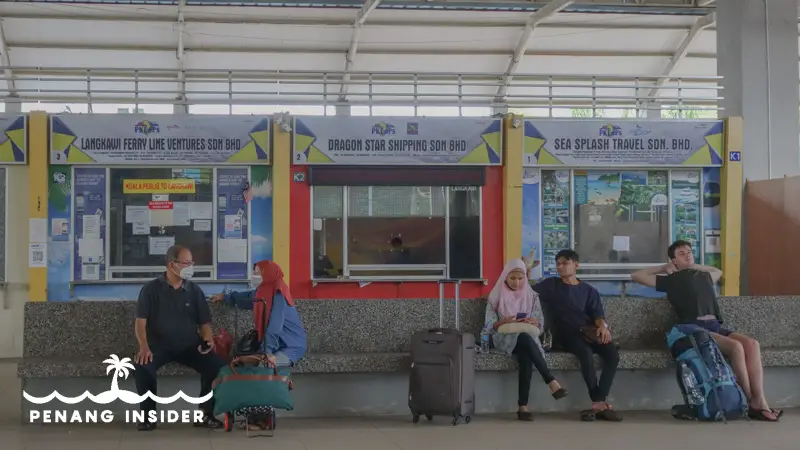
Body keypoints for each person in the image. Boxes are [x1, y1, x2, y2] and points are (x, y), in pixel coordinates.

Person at [631, 240, 782, 422]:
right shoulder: (669, 281)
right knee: (736, 348)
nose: (687, 254)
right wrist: (665, 267)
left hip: (715, 326)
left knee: (752, 344)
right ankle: (751, 401)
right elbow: (637, 275)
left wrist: (692, 265)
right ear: (673, 260)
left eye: (689, 251)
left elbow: (718, 272)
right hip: (694, 327)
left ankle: (759, 399)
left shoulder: (704, 276)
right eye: (681, 253)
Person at [133, 245, 225, 431]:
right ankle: (148, 417)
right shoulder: (150, 290)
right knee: (142, 366)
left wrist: (208, 341)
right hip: (159, 346)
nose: (190, 266)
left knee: (216, 365)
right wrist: (143, 346)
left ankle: (205, 415)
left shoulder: (194, 290)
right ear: (171, 264)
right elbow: (140, 322)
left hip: (190, 346)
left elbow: (204, 324)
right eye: (186, 263)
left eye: (192, 263)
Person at [527, 249, 622, 422]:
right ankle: (599, 401)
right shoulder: (551, 285)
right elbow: (525, 290)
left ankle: (599, 399)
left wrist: (603, 327)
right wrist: (526, 270)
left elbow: (598, 314)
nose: (561, 267)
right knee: (585, 354)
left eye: (565, 263)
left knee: (612, 355)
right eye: (558, 264)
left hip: (589, 332)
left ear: (575, 265)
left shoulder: (588, 290)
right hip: (566, 335)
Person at [485, 259, 568, 421]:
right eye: (513, 278)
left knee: (526, 354)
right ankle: (551, 382)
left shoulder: (532, 296)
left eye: (520, 278)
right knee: (524, 339)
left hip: (527, 339)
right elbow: (488, 326)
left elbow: (540, 325)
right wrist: (504, 321)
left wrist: (533, 322)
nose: (517, 282)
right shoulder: (495, 296)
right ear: (505, 277)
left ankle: (523, 407)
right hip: (503, 337)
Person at [211, 260, 307, 370]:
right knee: (243, 364)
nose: (254, 275)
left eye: (258, 272)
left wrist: (267, 352)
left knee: (263, 366)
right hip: (273, 345)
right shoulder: (263, 290)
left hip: (290, 346)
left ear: (269, 273)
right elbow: (246, 298)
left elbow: (275, 325)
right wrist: (225, 296)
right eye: (254, 272)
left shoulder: (279, 292)